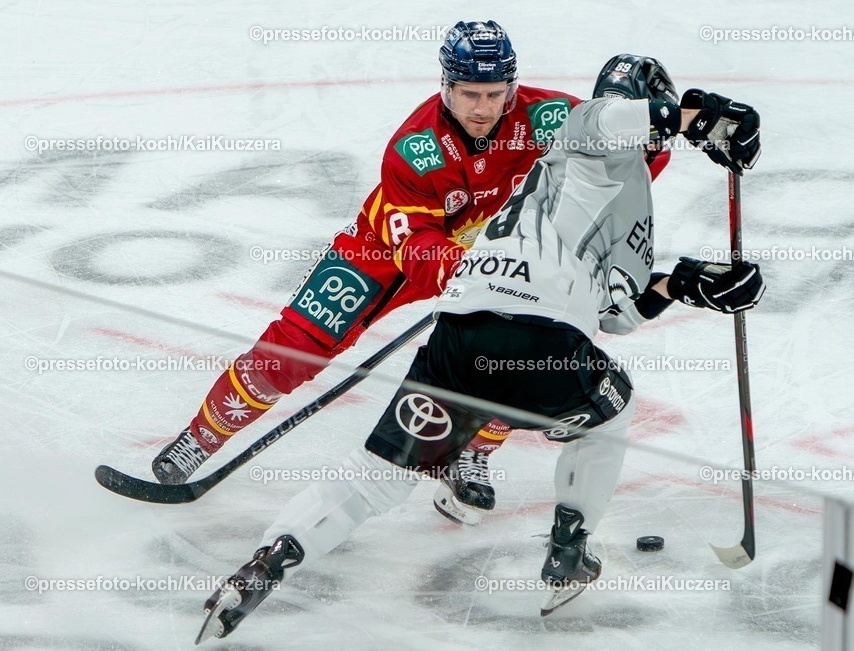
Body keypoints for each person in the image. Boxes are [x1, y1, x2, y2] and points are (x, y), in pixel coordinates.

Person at [194, 52, 763, 643]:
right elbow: (607, 120)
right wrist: (705, 119)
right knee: (607, 415)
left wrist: (684, 285)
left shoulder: (619, 197)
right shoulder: (582, 139)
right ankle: (568, 553)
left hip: (460, 335)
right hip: (536, 338)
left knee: (376, 478)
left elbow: (613, 315)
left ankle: (266, 562)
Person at [150, 20, 636, 525]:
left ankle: (469, 453)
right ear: (445, 85)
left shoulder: (549, 113)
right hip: (385, 250)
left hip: (492, 259)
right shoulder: (414, 145)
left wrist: (671, 120)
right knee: (297, 344)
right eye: (469, 93)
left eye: (495, 94)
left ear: (511, 86)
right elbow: (418, 250)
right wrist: (472, 269)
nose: (482, 109)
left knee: (509, 349)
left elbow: (626, 151)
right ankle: (200, 439)